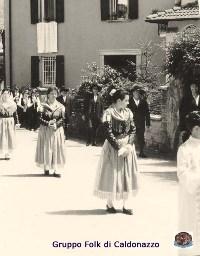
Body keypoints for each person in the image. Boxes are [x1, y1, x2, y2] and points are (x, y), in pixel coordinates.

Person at [94, 89, 138, 215]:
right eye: (126, 100)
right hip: (114, 147)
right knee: (112, 174)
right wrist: (119, 148)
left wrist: (129, 145)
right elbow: (107, 132)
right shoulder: (108, 113)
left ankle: (126, 204)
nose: (128, 103)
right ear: (119, 101)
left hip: (127, 147)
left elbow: (133, 129)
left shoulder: (128, 112)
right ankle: (110, 203)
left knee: (127, 174)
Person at [177, 111, 200, 256]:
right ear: (195, 129)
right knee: (187, 223)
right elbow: (182, 173)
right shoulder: (185, 149)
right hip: (191, 196)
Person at [35, 86, 66, 177]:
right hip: (45, 130)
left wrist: (57, 124)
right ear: (48, 94)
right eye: (52, 93)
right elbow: (39, 118)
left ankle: (56, 169)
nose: (54, 95)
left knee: (56, 148)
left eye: (55, 93)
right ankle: (46, 168)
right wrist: (47, 123)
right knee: (46, 148)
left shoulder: (61, 106)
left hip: (56, 130)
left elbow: (63, 119)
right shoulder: (42, 105)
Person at [129, 85, 150, 158]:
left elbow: (147, 113)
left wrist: (148, 123)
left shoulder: (143, 102)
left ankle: (141, 152)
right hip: (131, 123)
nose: (137, 94)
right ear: (133, 93)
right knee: (131, 137)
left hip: (141, 122)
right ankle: (129, 152)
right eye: (135, 92)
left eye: (138, 92)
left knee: (141, 137)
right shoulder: (129, 102)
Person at [0, 89, 19, 160]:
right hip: (1, 121)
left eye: (6, 94)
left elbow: (15, 114)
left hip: (10, 121)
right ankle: (2, 150)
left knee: (9, 136)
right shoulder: (0, 103)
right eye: (4, 94)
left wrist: (17, 122)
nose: (5, 95)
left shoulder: (12, 104)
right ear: (1, 95)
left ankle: (8, 153)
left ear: (9, 95)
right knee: (2, 136)